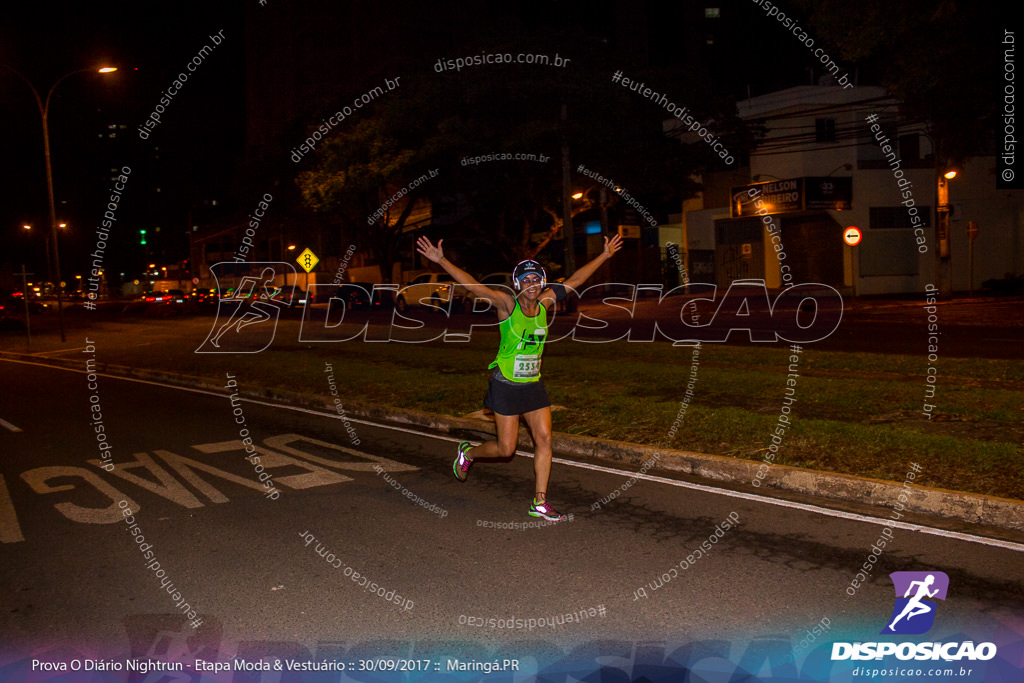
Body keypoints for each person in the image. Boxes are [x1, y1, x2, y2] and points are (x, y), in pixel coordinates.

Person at [415, 234, 623, 520]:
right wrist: (442, 261)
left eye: (536, 279)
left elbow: (574, 281)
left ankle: (539, 501)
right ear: (517, 284)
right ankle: (469, 453)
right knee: (506, 448)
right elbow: (473, 286)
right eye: (525, 280)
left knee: (545, 439)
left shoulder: (546, 302)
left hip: (533, 385)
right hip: (505, 385)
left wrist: (605, 256)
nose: (532, 284)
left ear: (542, 282)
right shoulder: (506, 304)